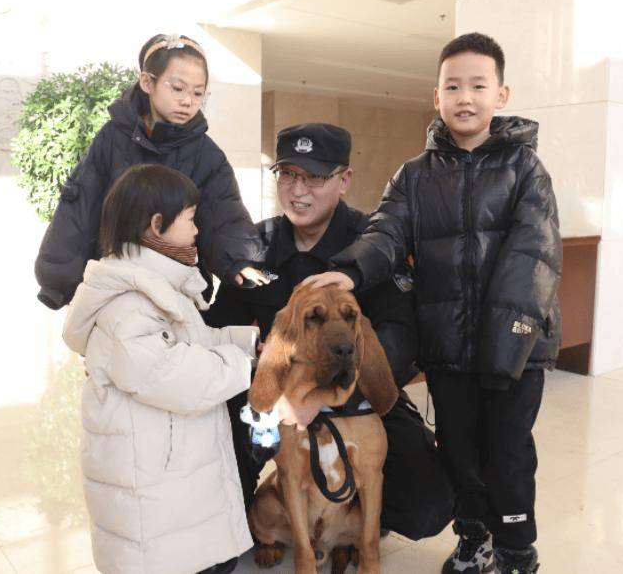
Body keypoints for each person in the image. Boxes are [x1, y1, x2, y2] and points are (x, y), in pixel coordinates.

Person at [306, 33, 562, 574]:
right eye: (453, 86)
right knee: (459, 452)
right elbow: (385, 232)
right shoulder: (414, 176)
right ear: (437, 96)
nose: (464, 97)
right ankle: (473, 536)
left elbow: (532, 258)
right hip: (448, 348)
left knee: (508, 455)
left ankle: (516, 551)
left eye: (478, 86)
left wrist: (506, 347)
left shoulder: (525, 170)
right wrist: (352, 270)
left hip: (515, 351)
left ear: (501, 94)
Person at [204, 123, 455, 542]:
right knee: (218, 438)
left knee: (427, 505)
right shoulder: (257, 245)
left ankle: (355, 513)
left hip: (358, 394)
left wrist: (324, 399)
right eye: (288, 174)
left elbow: (400, 337)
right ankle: (230, 523)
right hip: (277, 397)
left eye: (315, 176)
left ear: (344, 180)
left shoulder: (371, 245)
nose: (298, 190)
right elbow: (219, 327)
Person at [62, 164, 258, 574]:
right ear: (156, 225)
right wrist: (248, 366)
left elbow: (194, 343)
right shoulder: (129, 306)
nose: (198, 230)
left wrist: (250, 344)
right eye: (190, 219)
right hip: (151, 496)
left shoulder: (158, 288)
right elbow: (177, 377)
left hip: (166, 482)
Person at [35, 33, 269, 310]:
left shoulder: (207, 155)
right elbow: (80, 204)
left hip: (175, 292)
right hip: (114, 286)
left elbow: (224, 212)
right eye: (178, 88)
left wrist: (239, 260)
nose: (188, 101)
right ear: (147, 82)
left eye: (198, 92)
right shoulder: (112, 137)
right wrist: (58, 280)